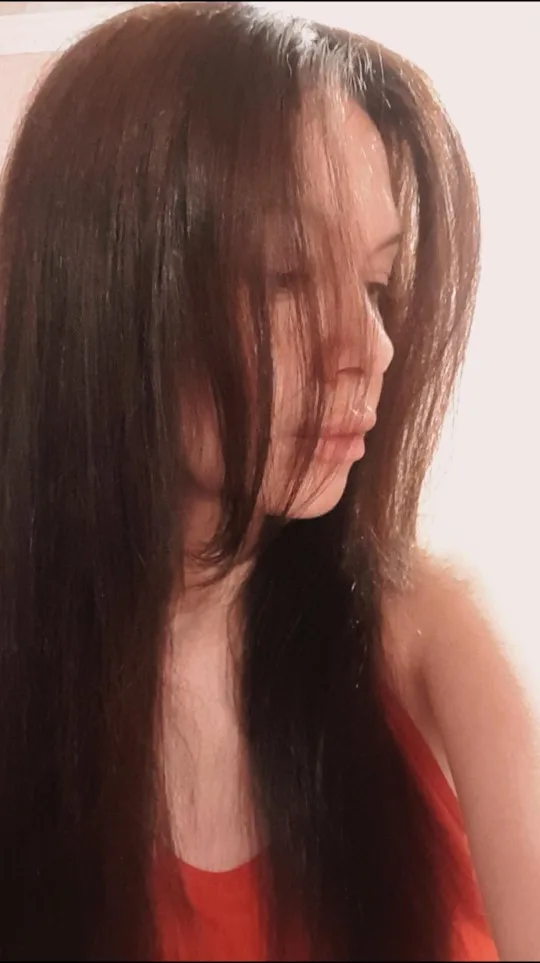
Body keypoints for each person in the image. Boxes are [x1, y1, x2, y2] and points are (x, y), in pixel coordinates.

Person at [0, 1, 538, 960]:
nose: (370, 348)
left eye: (377, 286)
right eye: (286, 274)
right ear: (104, 292)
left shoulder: (422, 631)